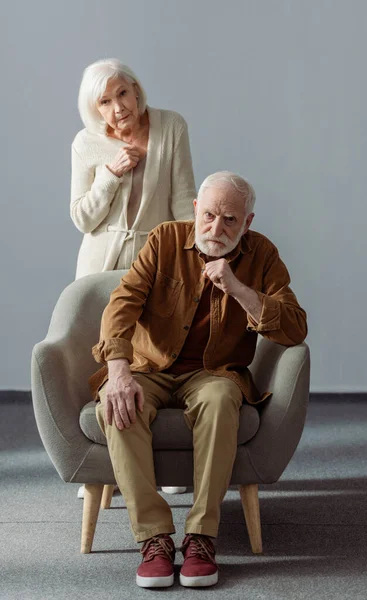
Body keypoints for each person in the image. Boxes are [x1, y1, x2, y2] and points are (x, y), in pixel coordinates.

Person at [90, 171, 307, 588]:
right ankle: (154, 539)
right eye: (208, 215)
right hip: (148, 367)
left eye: (229, 219)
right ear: (195, 211)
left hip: (214, 374)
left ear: (247, 222)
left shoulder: (262, 254)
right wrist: (117, 369)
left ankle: (201, 538)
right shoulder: (164, 239)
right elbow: (122, 303)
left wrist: (239, 288)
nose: (216, 228)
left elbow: (295, 327)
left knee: (222, 400)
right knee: (119, 405)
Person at [71, 57, 196, 495]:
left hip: (155, 261)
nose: (117, 107)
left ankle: (169, 463)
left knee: (156, 355)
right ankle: (102, 469)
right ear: (95, 108)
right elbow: (82, 218)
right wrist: (110, 175)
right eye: (104, 101)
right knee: (102, 360)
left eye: (122, 93)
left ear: (137, 90)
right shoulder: (86, 144)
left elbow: (184, 201)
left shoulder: (171, 126)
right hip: (100, 266)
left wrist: (194, 260)